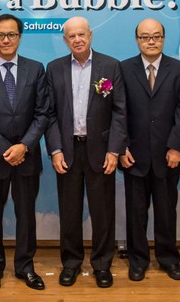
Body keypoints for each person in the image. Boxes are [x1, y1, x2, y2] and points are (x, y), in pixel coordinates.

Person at [0, 14, 49, 293]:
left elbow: (42, 113)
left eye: (12, 35)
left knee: (26, 214)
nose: (6, 40)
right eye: (0, 35)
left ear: (20, 36)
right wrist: (6, 149)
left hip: (27, 155)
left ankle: (25, 267)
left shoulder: (35, 69)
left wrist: (23, 146)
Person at [45, 17, 125, 288]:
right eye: (71, 36)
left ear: (90, 35)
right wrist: (55, 149)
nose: (77, 39)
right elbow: (50, 114)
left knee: (103, 212)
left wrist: (114, 150)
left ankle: (102, 264)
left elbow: (119, 113)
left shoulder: (110, 66)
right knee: (69, 211)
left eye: (81, 34)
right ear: (65, 39)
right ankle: (71, 263)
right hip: (67, 151)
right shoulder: (54, 68)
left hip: (100, 151)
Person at [120, 18, 180, 282]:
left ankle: (168, 259)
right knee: (135, 214)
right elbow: (119, 112)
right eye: (145, 37)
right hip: (133, 156)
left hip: (167, 157)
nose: (151, 41)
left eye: (156, 36)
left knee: (166, 212)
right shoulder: (124, 69)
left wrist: (176, 147)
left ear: (163, 38)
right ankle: (138, 261)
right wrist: (121, 147)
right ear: (137, 39)